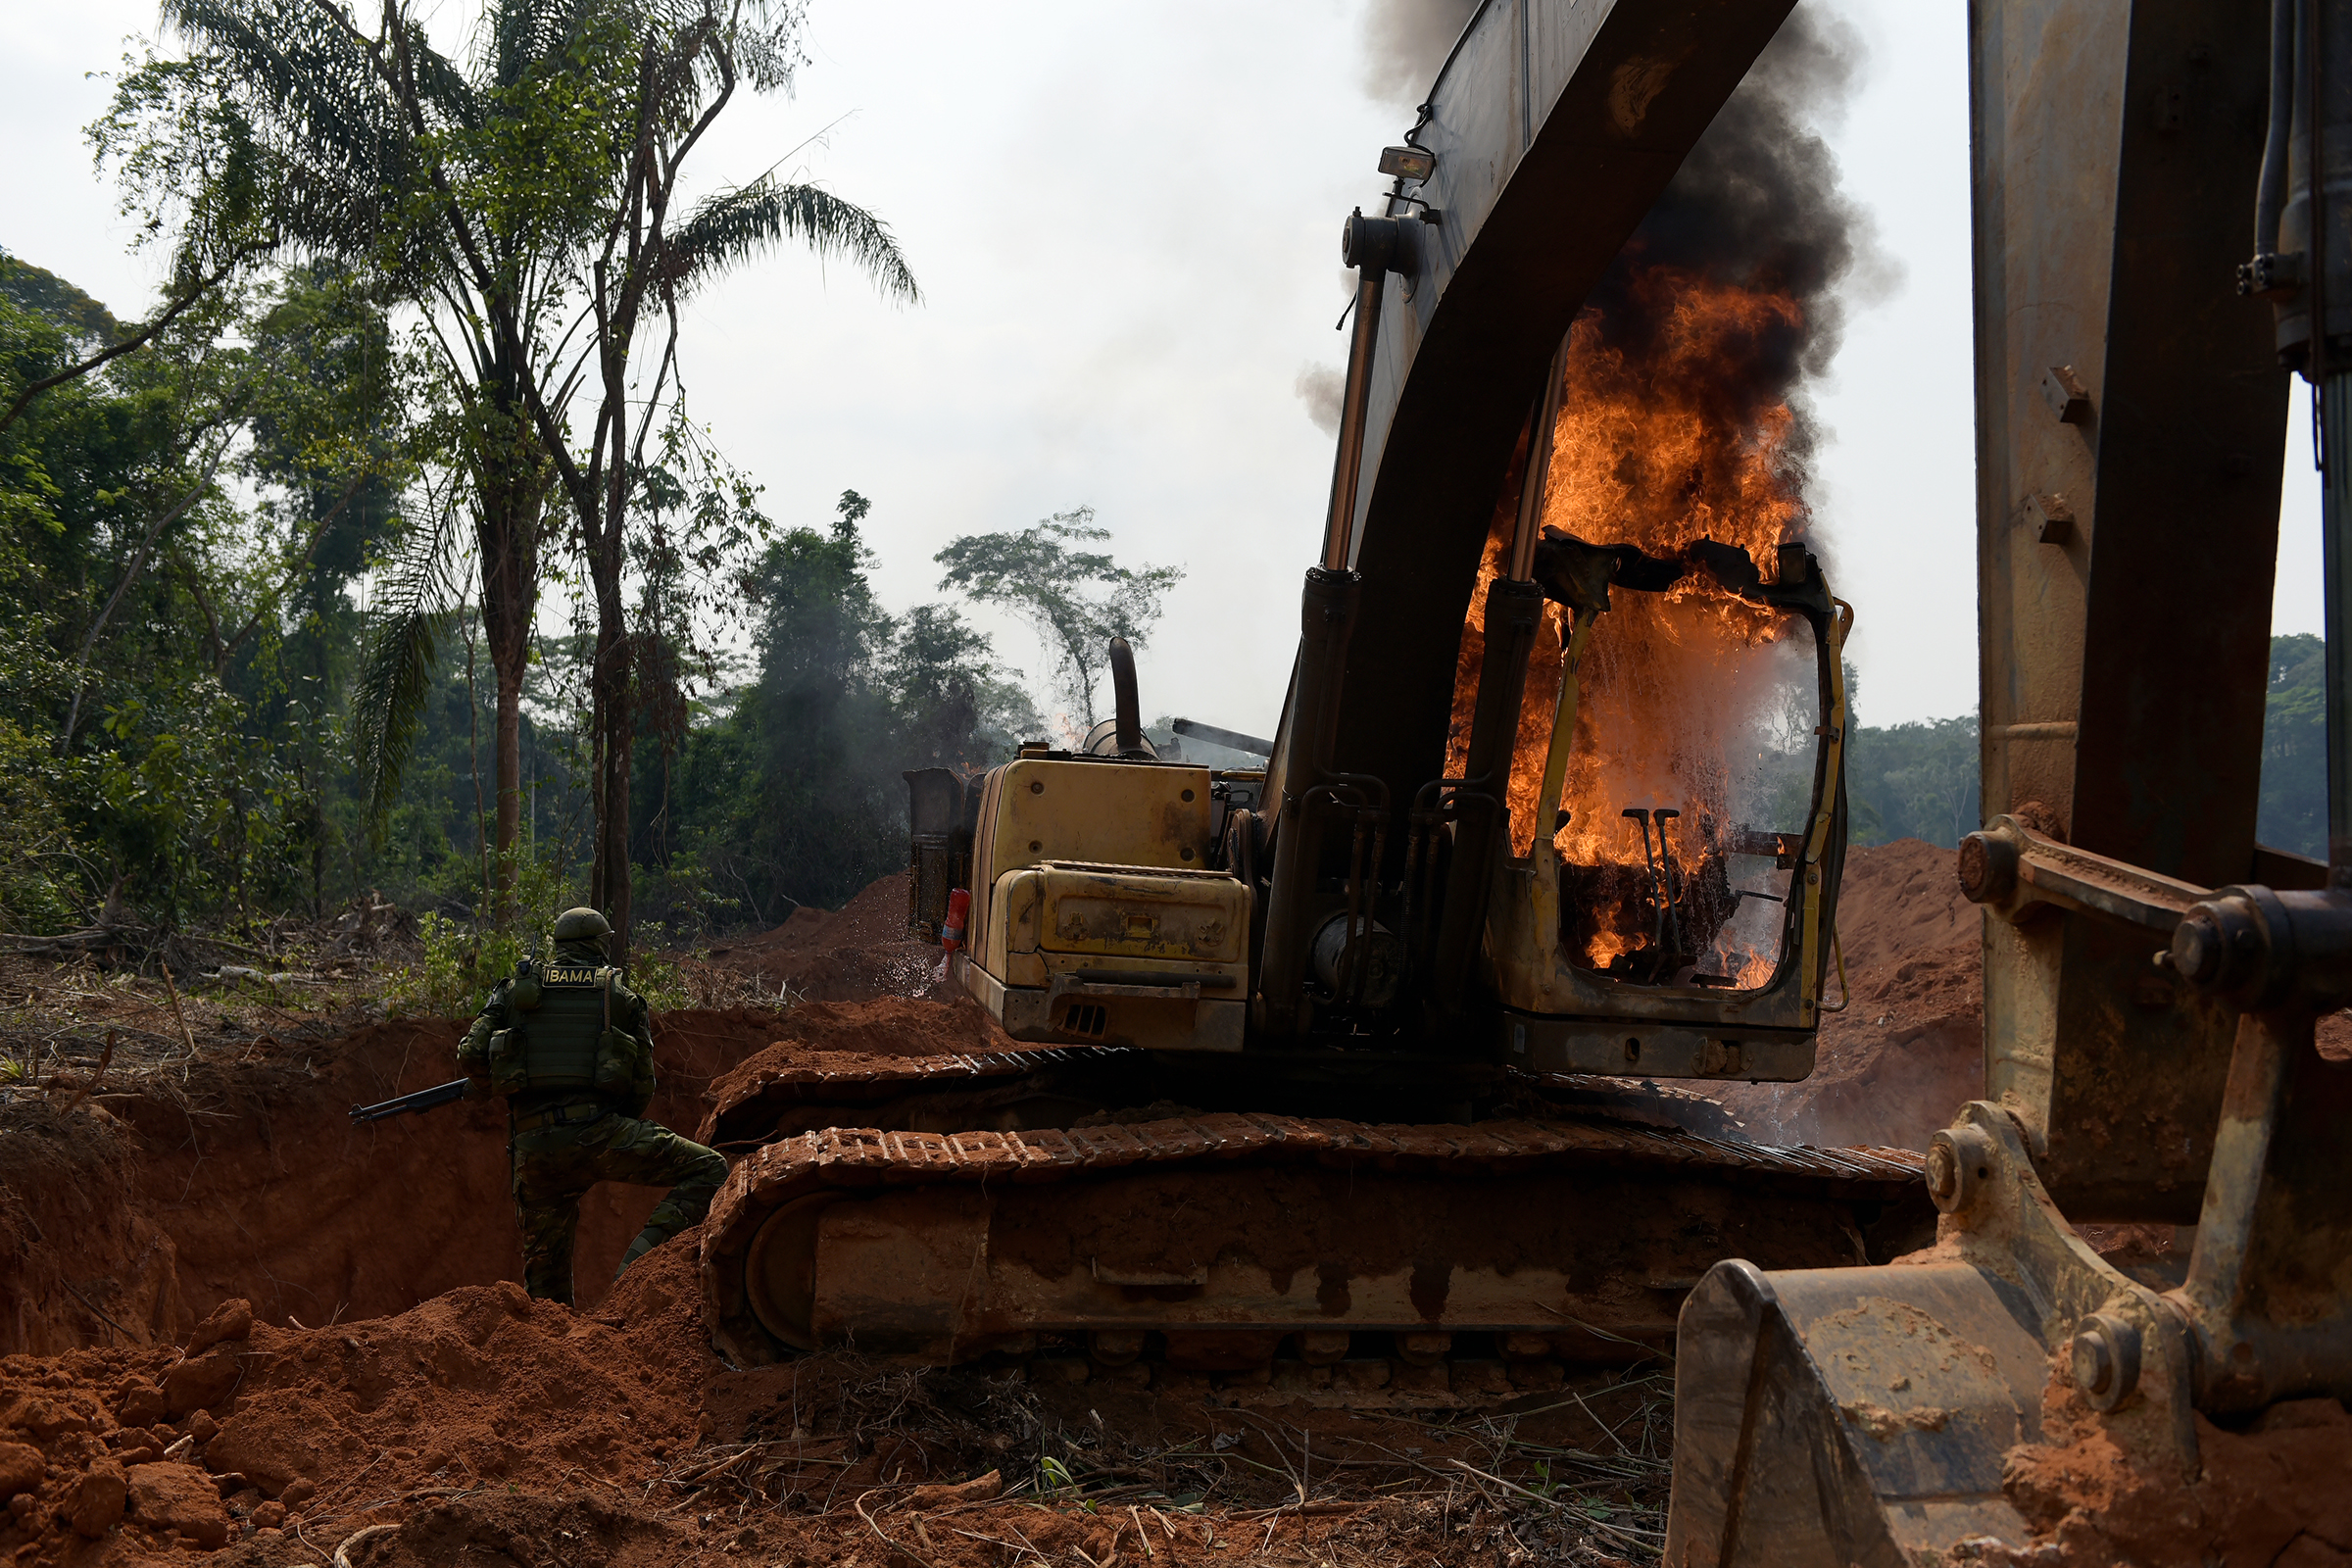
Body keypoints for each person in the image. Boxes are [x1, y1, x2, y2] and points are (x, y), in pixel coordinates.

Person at [456, 906, 728, 1305]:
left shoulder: (518, 990)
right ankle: (632, 1278)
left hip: (535, 1152)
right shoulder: (616, 995)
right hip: (599, 1134)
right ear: (601, 947)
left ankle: (558, 1350)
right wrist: (609, 1124)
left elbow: (471, 1055)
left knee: (546, 1300)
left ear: (557, 945)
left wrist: (499, 1086)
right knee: (711, 1169)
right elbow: (642, 1086)